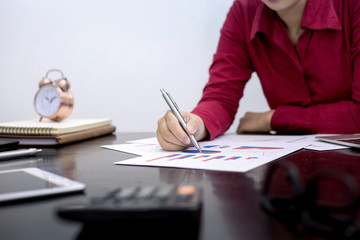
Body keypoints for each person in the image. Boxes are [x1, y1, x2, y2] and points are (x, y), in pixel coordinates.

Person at [157, 0, 360, 151]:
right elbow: (220, 96)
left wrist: (271, 119)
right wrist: (195, 124)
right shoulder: (244, 11)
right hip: (288, 180)